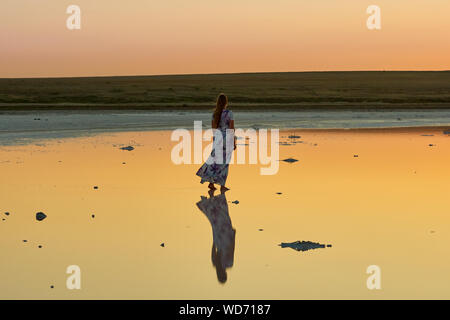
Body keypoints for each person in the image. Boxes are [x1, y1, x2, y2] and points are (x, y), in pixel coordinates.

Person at [196, 93, 236, 193]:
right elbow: (231, 128)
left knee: (214, 160)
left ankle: (211, 183)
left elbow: (214, 129)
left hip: (218, 138)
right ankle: (222, 185)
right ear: (226, 102)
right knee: (225, 163)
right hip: (227, 138)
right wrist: (234, 141)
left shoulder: (215, 114)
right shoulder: (229, 113)